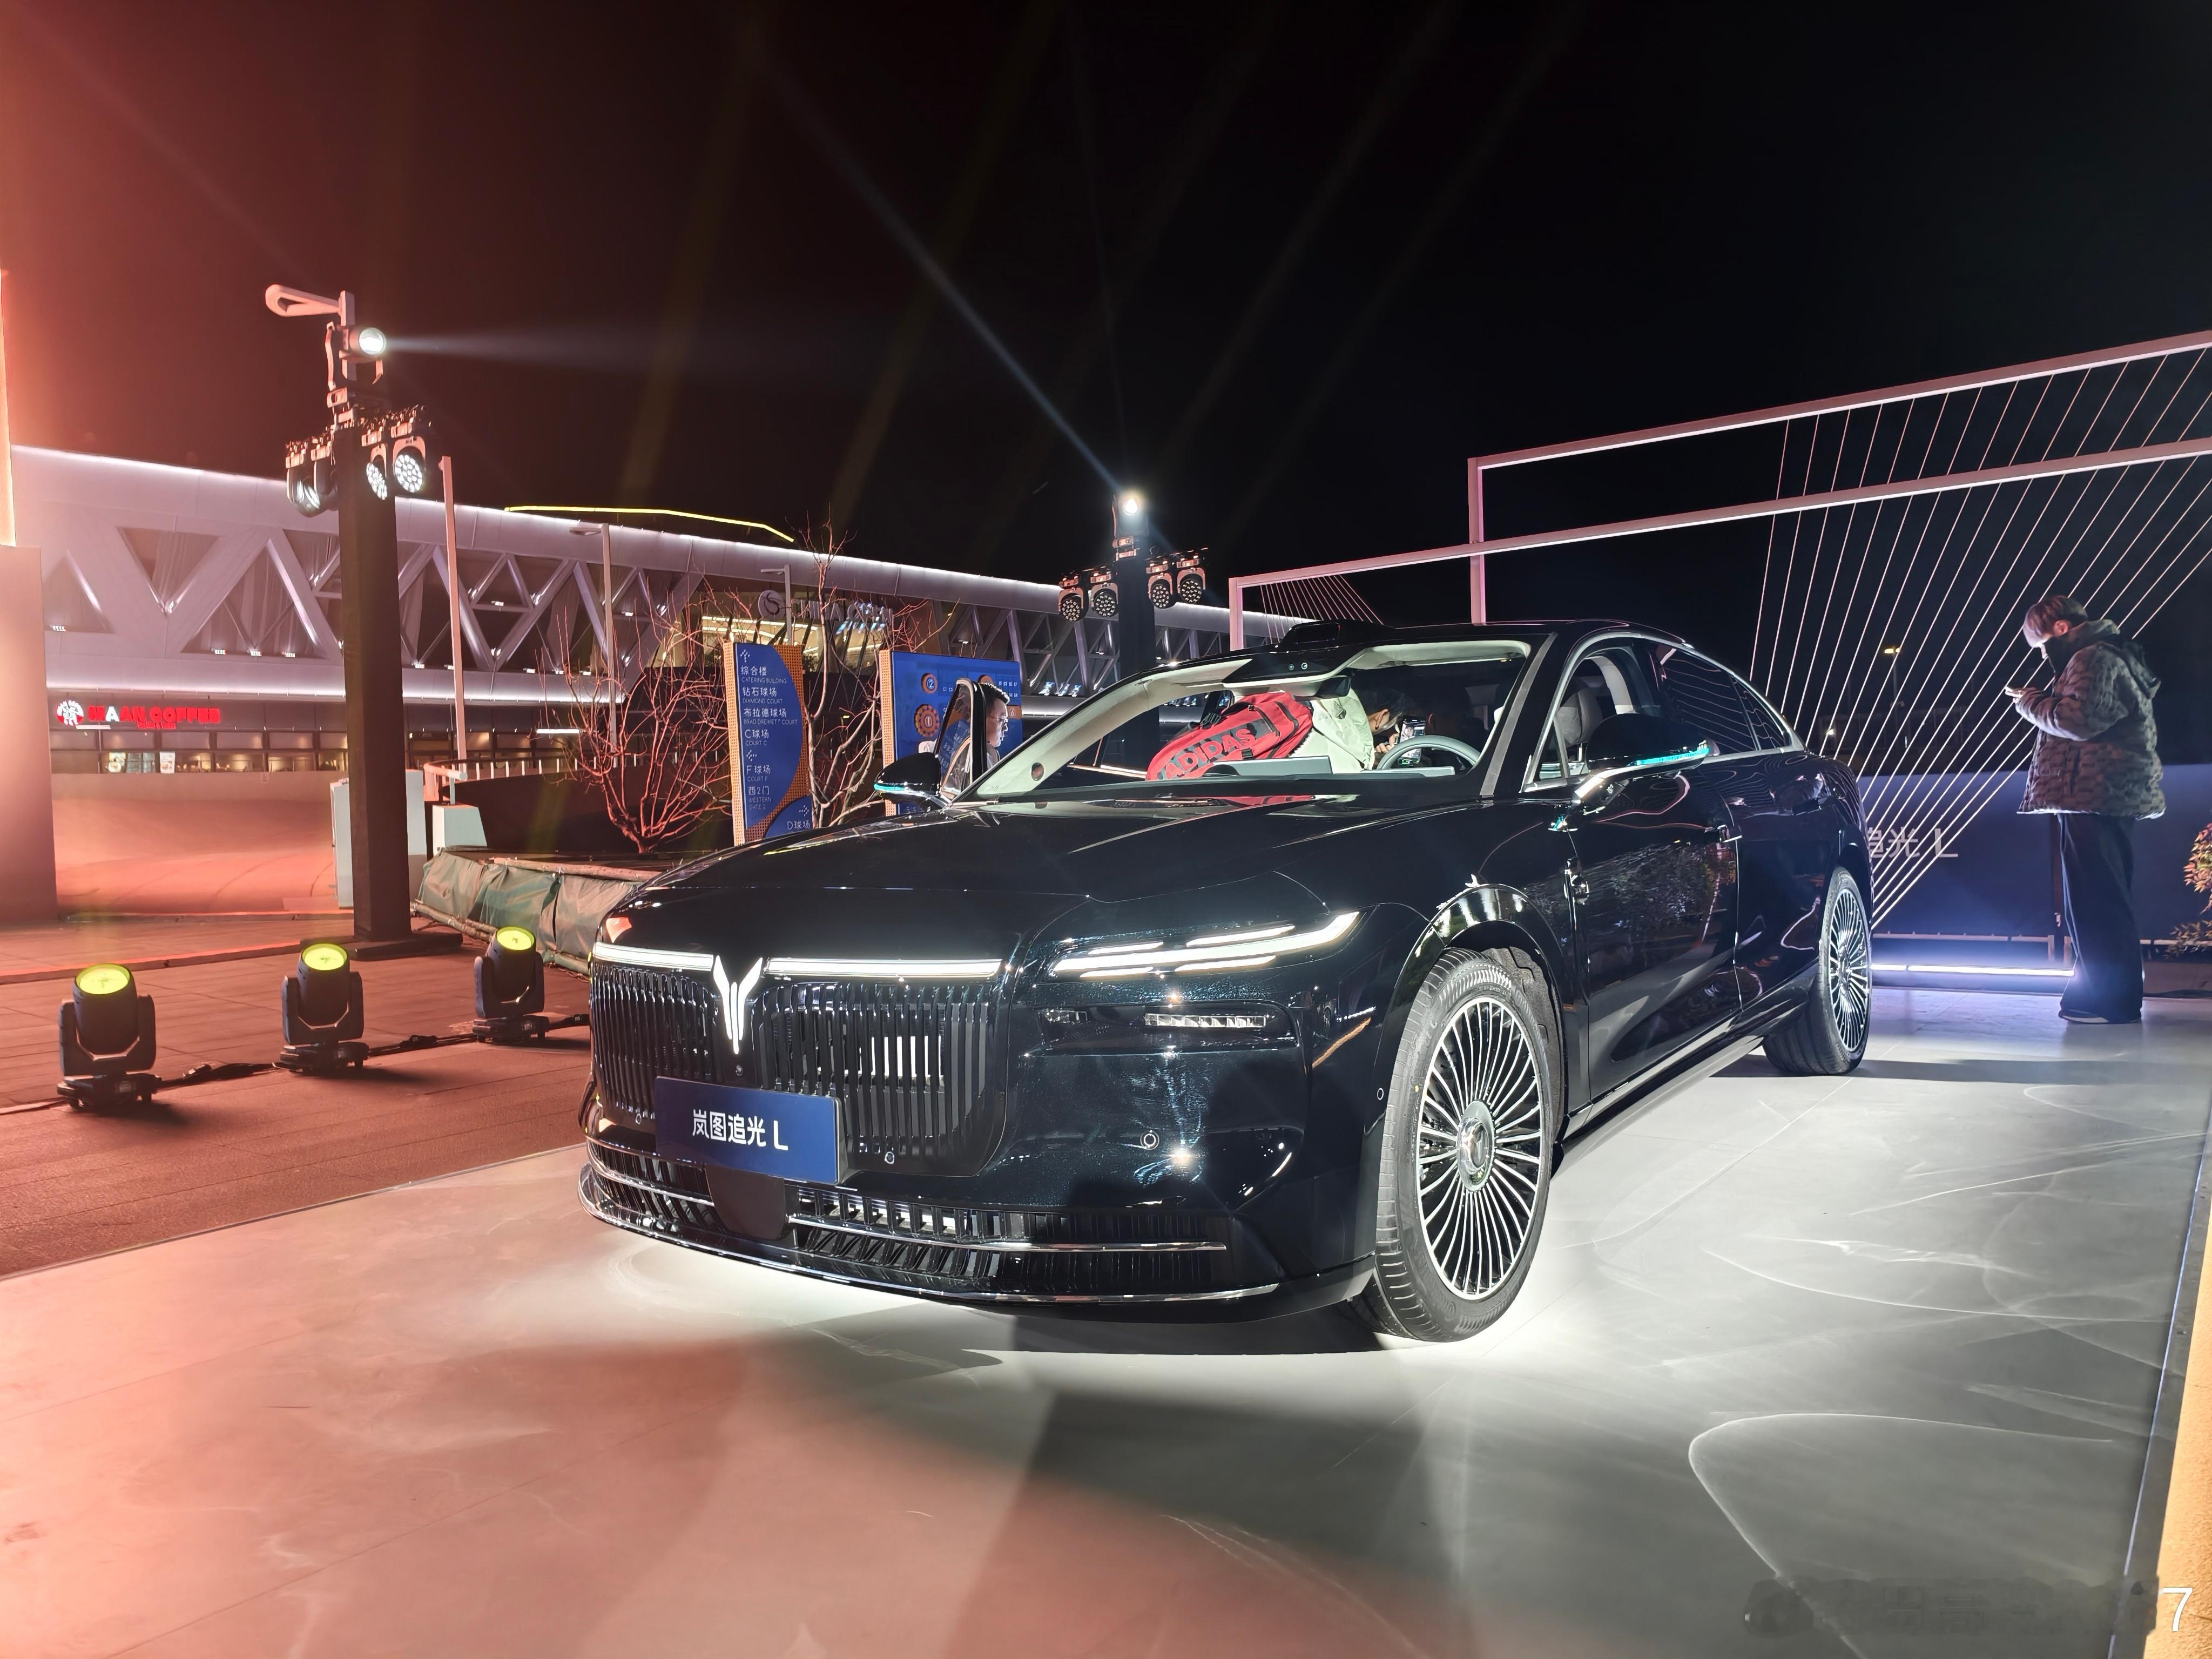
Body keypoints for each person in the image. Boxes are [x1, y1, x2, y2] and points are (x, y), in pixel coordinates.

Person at [2006, 594, 2164, 1023]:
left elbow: (2078, 721)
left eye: (2041, 645)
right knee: (2099, 899)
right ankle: (2098, 995)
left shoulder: (2092, 657)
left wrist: (2030, 702)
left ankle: (2112, 1002)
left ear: (2060, 628)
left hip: (2093, 794)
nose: (2043, 655)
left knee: (2096, 901)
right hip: (2101, 794)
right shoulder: (2105, 655)